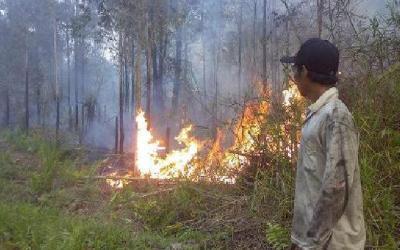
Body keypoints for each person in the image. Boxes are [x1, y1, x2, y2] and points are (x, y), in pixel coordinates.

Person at [280, 38, 366, 250]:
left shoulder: (336, 116)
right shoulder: (320, 114)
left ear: (305, 72)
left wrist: (312, 241)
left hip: (331, 243)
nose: (293, 76)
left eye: (295, 69)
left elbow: (337, 186)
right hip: (314, 240)